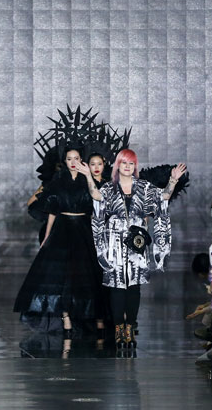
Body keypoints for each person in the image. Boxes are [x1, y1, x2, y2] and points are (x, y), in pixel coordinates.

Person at [84, 148, 186, 347]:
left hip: (136, 242)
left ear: (135, 166)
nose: (128, 166)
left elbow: (163, 197)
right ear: (118, 165)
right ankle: (118, 329)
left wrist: (173, 180)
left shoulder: (144, 187)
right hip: (114, 241)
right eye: (124, 163)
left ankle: (130, 327)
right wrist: (88, 175)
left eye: (131, 163)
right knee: (117, 286)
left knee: (133, 286)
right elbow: (96, 196)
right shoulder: (109, 188)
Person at [14, 147, 108, 335]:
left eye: (76, 158)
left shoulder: (88, 180)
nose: (73, 162)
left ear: (81, 160)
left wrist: (88, 176)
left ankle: (93, 317)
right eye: (69, 158)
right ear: (65, 161)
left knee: (86, 275)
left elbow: (97, 206)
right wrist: (47, 236)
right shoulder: (57, 182)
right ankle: (66, 318)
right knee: (60, 276)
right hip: (62, 229)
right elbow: (52, 211)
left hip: (84, 229)